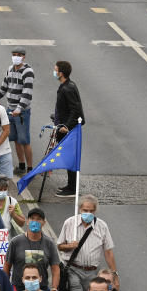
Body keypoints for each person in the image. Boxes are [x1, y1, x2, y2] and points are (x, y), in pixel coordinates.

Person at [56, 196, 117, 291]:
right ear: (80, 209)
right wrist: (70, 246)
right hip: (73, 270)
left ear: (95, 211)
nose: (88, 213)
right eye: (85, 210)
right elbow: (60, 246)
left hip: (92, 272)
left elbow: (108, 252)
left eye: (91, 211)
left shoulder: (102, 226)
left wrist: (114, 275)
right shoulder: (69, 223)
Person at [51, 60, 85, 198]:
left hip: (68, 130)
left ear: (61, 73)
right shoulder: (65, 86)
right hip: (64, 126)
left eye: (55, 69)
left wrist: (66, 126)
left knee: (70, 158)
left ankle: (72, 188)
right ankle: (70, 185)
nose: (53, 72)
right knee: (68, 158)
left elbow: (75, 110)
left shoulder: (68, 88)